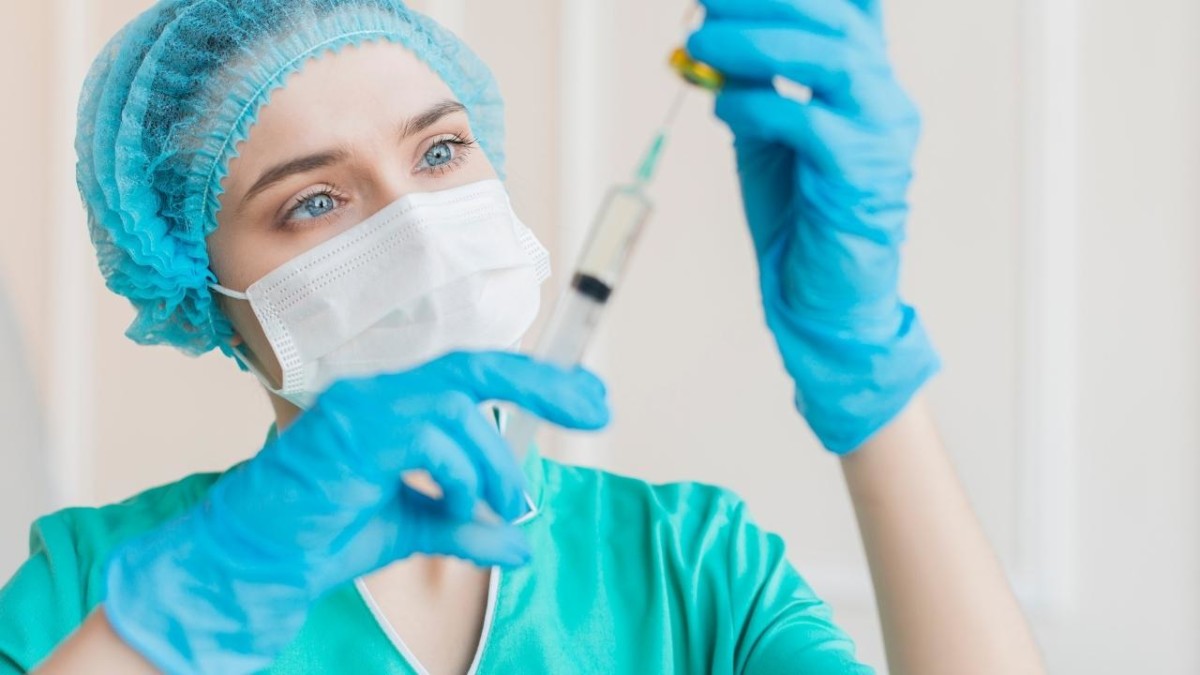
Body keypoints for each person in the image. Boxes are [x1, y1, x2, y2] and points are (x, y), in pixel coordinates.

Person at [0, 0, 1045, 673]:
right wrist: (168, 627)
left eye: (441, 150)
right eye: (314, 202)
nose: (415, 224)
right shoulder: (97, 585)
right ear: (201, 290)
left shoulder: (687, 569)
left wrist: (868, 378)